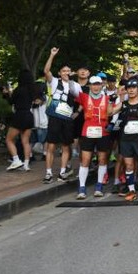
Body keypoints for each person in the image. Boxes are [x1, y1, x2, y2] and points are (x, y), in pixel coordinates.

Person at [42, 47, 82, 184]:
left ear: (71, 72)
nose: (66, 73)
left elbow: (82, 100)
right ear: (59, 73)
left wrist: (77, 112)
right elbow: (46, 71)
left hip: (67, 119)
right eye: (63, 71)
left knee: (66, 146)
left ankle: (62, 172)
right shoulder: (54, 81)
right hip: (55, 117)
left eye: (68, 71)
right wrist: (52, 55)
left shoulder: (75, 86)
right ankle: (48, 173)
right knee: (51, 145)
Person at [73, 75, 114, 199]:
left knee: (102, 159)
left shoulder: (107, 98)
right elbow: (72, 88)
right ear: (89, 86)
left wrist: (121, 99)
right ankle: (81, 188)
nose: (96, 87)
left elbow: (112, 112)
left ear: (102, 85)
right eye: (93, 85)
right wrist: (70, 76)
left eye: (98, 84)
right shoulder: (84, 97)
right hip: (87, 132)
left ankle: (99, 186)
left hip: (103, 133)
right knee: (85, 160)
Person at [4, 69, 37, 172]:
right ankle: (26, 165)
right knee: (26, 141)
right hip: (29, 115)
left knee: (9, 139)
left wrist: (7, 94)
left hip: (19, 115)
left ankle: (16, 160)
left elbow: (11, 102)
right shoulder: (32, 90)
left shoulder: (18, 90)